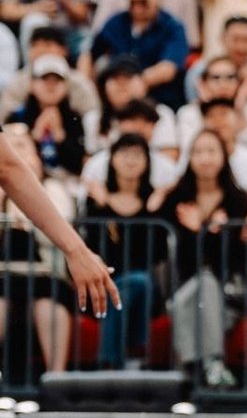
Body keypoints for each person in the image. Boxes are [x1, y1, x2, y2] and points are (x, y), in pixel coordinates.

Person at [156, 129, 247, 387]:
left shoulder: (238, 201)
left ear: (223, 156)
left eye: (211, 151)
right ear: (189, 158)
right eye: (198, 152)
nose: (205, 158)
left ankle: (191, 370)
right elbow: (179, 255)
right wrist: (207, 231)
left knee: (206, 285)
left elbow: (233, 258)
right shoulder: (178, 199)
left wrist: (199, 229)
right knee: (198, 288)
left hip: (228, 293)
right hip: (186, 287)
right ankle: (213, 364)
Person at [0, 125, 79, 377]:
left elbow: (61, 229)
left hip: (45, 272)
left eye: (21, 145)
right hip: (4, 272)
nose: (15, 152)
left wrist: (27, 200)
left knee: (48, 301)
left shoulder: (52, 186)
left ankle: (56, 378)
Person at [83, 133, 161, 370]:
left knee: (139, 282)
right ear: (112, 159)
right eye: (124, 153)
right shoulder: (97, 200)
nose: (130, 159)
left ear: (147, 161)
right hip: (103, 281)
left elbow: (158, 253)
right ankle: (132, 355)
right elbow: (95, 248)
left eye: (137, 154)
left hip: (148, 291)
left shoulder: (154, 200)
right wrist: (103, 207)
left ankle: (110, 364)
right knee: (121, 288)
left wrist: (156, 209)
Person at [85, 0, 189, 110]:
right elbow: (89, 55)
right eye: (133, 2)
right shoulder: (116, 23)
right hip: (116, 99)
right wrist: (87, 85)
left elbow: (168, 68)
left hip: (157, 100)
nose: (137, 8)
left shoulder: (173, 27)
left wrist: (134, 84)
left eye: (143, 2)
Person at [5, 54, 86, 176]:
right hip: (28, 178)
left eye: (57, 80)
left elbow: (79, 165)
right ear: (32, 84)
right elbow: (9, 160)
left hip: (67, 180)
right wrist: (34, 137)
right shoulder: (16, 117)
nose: (51, 85)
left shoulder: (74, 118)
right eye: (45, 79)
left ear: (66, 85)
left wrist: (59, 136)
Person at [0, 26, 100, 120]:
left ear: (64, 50)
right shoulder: (19, 81)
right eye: (35, 45)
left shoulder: (79, 82)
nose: (40, 50)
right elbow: (4, 116)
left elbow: (93, 116)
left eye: (47, 45)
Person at [177, 56, 247, 157]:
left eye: (230, 77)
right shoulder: (188, 113)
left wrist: (239, 111)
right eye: (216, 78)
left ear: (239, 82)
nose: (223, 84)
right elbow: (189, 155)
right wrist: (207, 110)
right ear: (203, 82)